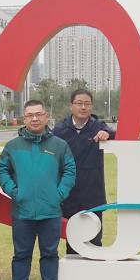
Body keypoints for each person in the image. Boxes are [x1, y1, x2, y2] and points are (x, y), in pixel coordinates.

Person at [0, 99, 76, 280]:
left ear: (46, 117)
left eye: (38, 114)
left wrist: (58, 194)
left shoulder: (59, 145)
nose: (34, 118)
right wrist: (14, 192)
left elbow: (70, 170)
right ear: (24, 118)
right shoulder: (13, 146)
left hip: (50, 211)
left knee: (49, 253)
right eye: (30, 115)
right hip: (22, 211)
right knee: (21, 254)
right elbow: (2, 170)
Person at [52, 89, 114, 253]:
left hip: (92, 193)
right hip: (68, 193)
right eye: (79, 103)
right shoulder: (59, 130)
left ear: (91, 106)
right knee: (72, 240)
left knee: (94, 240)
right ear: (71, 106)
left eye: (87, 104)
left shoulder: (98, 126)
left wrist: (107, 133)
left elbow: (115, 133)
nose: (83, 107)